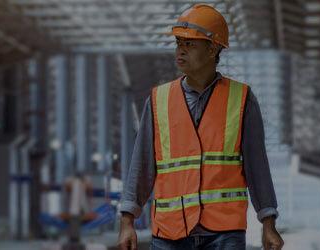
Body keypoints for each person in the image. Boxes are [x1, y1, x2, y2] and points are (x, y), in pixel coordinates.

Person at [116, 4, 284, 250]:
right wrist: (127, 220)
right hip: (169, 232)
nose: (180, 51)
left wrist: (268, 223)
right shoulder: (158, 100)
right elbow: (141, 165)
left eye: (190, 44)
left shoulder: (242, 98)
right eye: (178, 43)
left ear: (212, 49)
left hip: (224, 234)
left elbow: (257, 165)